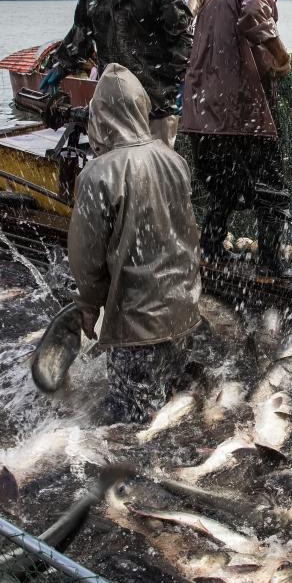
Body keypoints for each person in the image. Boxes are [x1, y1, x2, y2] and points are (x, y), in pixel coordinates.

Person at [67, 63, 202, 424]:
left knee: (130, 421)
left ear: (99, 117)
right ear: (141, 107)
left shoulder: (97, 174)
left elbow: (86, 254)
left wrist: (88, 304)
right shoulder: (174, 160)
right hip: (184, 310)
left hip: (137, 326)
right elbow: (188, 235)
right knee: (170, 408)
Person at [180, 0, 292, 283]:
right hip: (243, 117)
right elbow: (253, 17)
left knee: (224, 190)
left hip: (203, 119)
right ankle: (269, 267)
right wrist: (281, 54)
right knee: (273, 191)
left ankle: (212, 251)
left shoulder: (213, 3)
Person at [57, 0, 193, 147]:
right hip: (113, 95)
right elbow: (82, 27)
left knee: (156, 168)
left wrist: (180, 81)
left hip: (155, 95)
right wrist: (62, 64)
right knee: (114, 166)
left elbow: (181, 37)